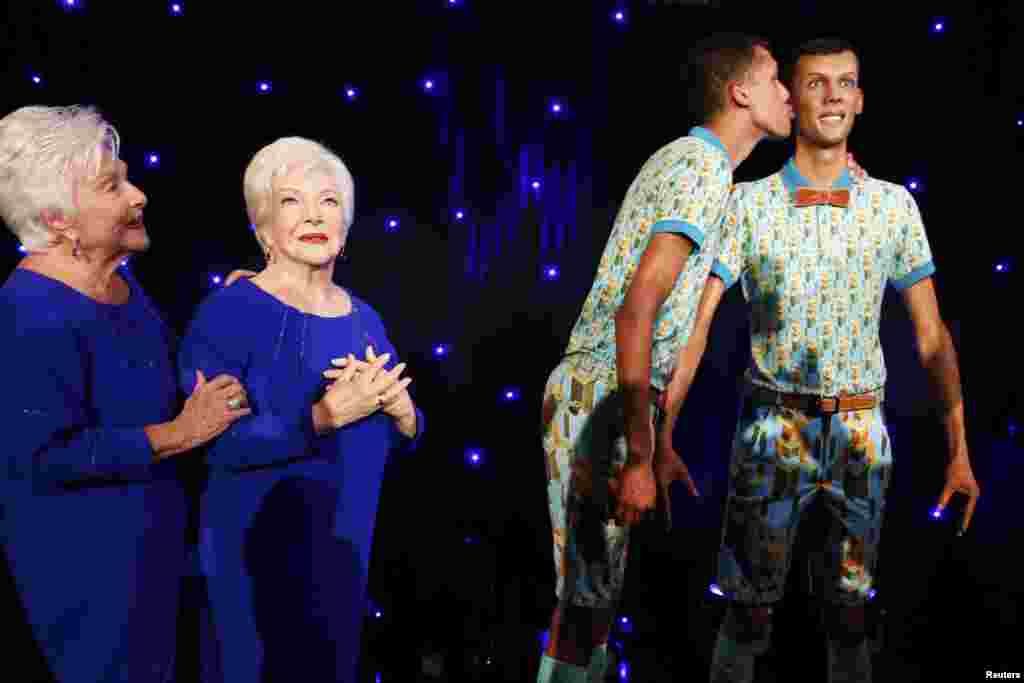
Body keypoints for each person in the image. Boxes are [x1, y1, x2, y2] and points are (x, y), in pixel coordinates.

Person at [655, 38, 981, 682]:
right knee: (745, 616)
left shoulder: (893, 205)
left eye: (846, 83)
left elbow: (932, 337)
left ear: (860, 101)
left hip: (861, 429)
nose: (832, 95)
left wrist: (960, 449)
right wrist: (660, 433)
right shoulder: (746, 204)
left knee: (851, 614)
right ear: (793, 101)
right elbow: (697, 327)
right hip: (772, 431)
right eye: (815, 84)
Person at [536, 34, 794, 682]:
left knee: (593, 602)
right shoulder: (700, 166)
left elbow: (675, 318)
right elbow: (637, 310)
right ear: (740, 92)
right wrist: (640, 449)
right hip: (599, 392)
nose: (787, 92)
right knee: (584, 603)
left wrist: (658, 431)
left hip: (616, 400)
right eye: (775, 79)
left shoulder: (708, 170)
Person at [0, 105, 250, 682]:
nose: (138, 195)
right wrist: (180, 434)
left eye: (127, 177)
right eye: (111, 186)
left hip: (156, 560)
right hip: (90, 583)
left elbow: (149, 380)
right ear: (57, 220)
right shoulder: (28, 313)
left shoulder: (119, 284)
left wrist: (232, 312)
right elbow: (42, 456)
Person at [178, 136, 425, 682]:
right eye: (292, 201)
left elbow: (395, 440)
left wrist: (408, 418)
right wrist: (324, 416)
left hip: (343, 559)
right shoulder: (229, 312)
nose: (314, 215)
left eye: (329, 201)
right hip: (256, 561)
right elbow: (213, 445)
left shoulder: (366, 317)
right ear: (263, 228)